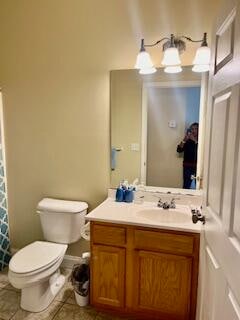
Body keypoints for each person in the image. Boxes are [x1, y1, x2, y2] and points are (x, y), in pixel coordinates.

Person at [177, 123, 198, 189]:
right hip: (188, 167)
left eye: (196, 129)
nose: (194, 131)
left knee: (198, 185)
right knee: (186, 186)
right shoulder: (187, 141)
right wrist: (184, 140)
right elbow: (179, 150)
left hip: (198, 167)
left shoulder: (202, 140)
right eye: (192, 129)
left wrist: (195, 141)